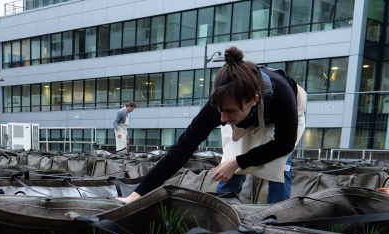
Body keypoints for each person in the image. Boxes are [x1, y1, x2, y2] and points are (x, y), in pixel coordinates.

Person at [117, 47, 306, 204]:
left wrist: (239, 161)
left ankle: (276, 223)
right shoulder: (221, 105)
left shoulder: (283, 96)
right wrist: (138, 193)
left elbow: (284, 144)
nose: (222, 119)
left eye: (229, 111)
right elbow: (183, 148)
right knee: (228, 170)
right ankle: (220, 211)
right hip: (245, 119)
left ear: (253, 100)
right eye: (220, 110)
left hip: (277, 116)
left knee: (279, 168)